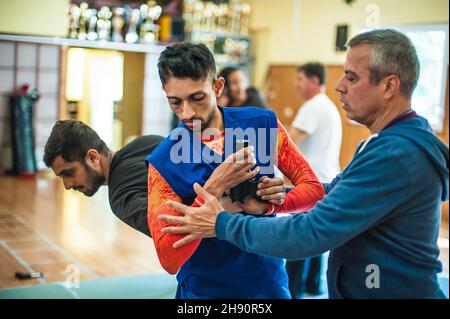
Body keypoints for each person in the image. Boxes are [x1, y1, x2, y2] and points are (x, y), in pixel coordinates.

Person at [160, 29, 449, 299]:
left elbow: (309, 233)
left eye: (351, 77)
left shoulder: (396, 155)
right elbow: (331, 191)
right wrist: (270, 199)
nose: (339, 85)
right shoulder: (382, 143)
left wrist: (222, 223)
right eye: (176, 102)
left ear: (389, 86)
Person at [146, 42, 325, 298]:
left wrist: (269, 205)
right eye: (175, 102)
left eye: (197, 98)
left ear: (217, 87)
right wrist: (213, 189)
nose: (187, 113)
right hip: (206, 291)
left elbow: (314, 190)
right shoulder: (164, 160)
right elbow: (168, 258)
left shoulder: (262, 125)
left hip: (268, 281)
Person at [43, 120, 286, 238]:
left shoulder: (120, 197)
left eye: (68, 173)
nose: (67, 185)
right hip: (253, 226)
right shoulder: (146, 141)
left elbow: (174, 230)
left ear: (93, 157)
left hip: (225, 256)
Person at [286, 62, 343, 297]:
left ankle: (293, 290)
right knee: (315, 236)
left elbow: (290, 141)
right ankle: (312, 285)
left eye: (300, 78)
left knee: (299, 237)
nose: (296, 84)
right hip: (325, 178)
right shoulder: (327, 105)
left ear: (313, 81)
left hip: (312, 181)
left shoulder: (313, 106)